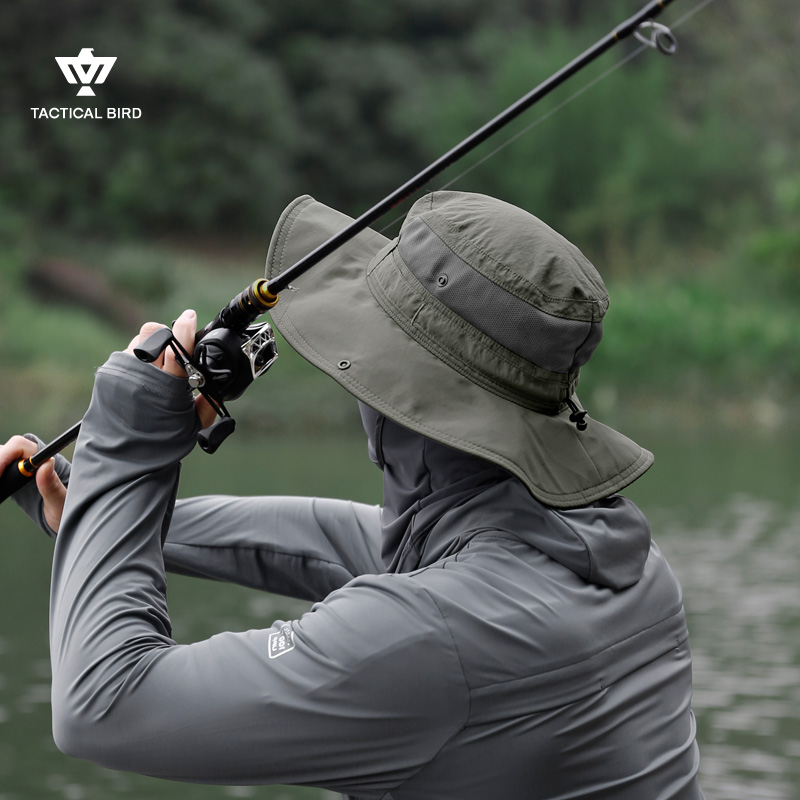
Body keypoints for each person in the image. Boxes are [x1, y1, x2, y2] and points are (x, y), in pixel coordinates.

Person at [2, 191, 704, 799]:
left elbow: (103, 708)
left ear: (398, 397)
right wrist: (100, 513)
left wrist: (128, 445)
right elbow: (334, 538)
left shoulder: (433, 636)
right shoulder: (623, 560)